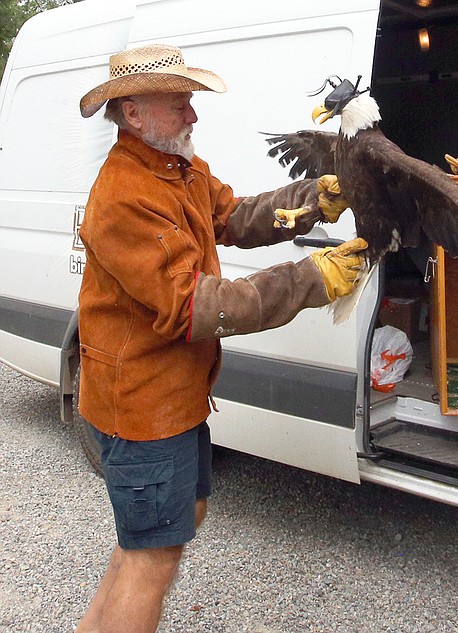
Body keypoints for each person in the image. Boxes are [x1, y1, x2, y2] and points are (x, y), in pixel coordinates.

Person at [74, 44, 365, 633]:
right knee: (150, 557)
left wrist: (314, 199)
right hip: (141, 406)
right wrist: (313, 278)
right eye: (180, 102)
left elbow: (232, 216)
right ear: (133, 113)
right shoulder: (125, 194)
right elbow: (195, 306)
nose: (193, 115)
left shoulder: (178, 167)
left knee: (164, 532)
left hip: (172, 398)